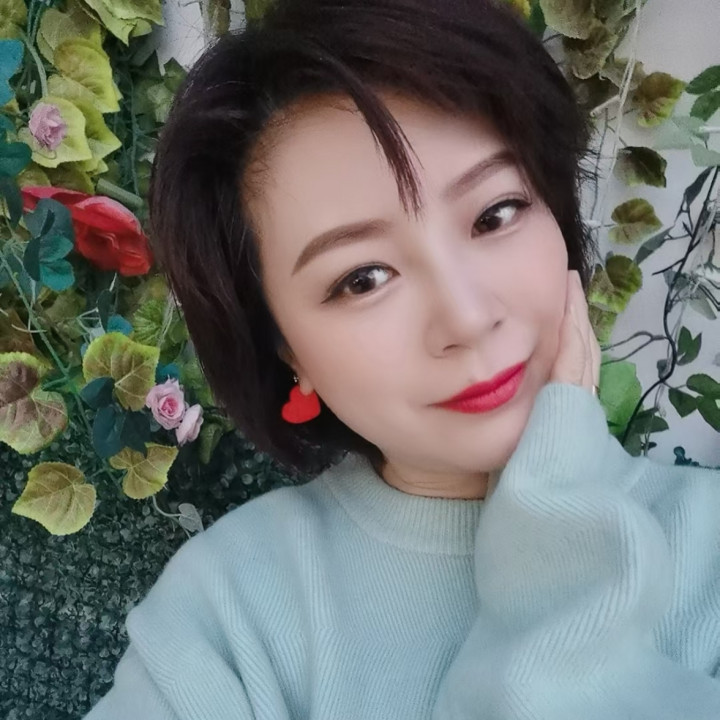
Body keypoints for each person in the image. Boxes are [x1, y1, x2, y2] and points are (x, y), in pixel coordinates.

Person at [83, 0, 720, 718]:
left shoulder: (708, 547)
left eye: (495, 215)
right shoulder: (225, 618)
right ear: (286, 349)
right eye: (363, 279)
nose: (467, 318)